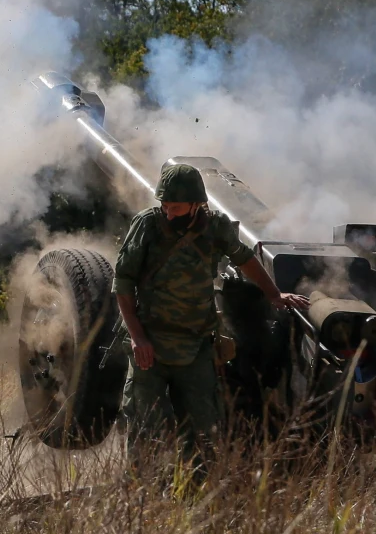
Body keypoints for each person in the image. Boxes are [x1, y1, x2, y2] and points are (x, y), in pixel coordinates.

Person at [112, 162, 310, 473]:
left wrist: (274, 294)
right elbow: (123, 283)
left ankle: (195, 492)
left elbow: (244, 258)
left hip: (195, 347)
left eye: (176, 207)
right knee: (144, 428)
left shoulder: (215, 226)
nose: (169, 213)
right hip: (151, 346)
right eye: (165, 205)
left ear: (196, 204)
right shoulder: (146, 225)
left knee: (204, 432)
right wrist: (137, 338)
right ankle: (142, 493)